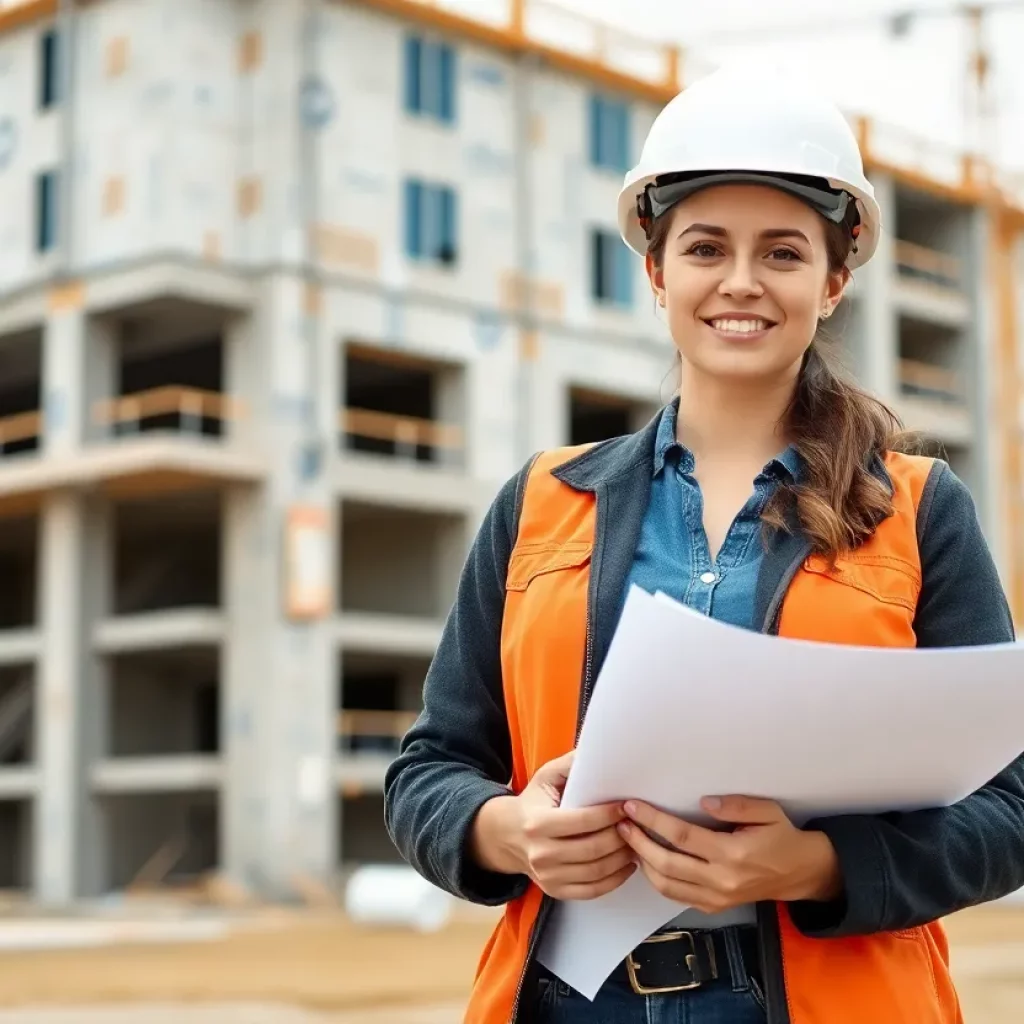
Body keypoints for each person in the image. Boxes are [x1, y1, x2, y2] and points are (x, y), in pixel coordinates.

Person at [384, 65, 1024, 1024]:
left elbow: (1010, 809)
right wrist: (507, 831)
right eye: (705, 247)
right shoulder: (541, 504)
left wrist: (818, 865)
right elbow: (428, 768)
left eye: (782, 253)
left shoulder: (921, 512)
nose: (740, 282)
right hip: (572, 1001)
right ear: (656, 271)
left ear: (834, 281)